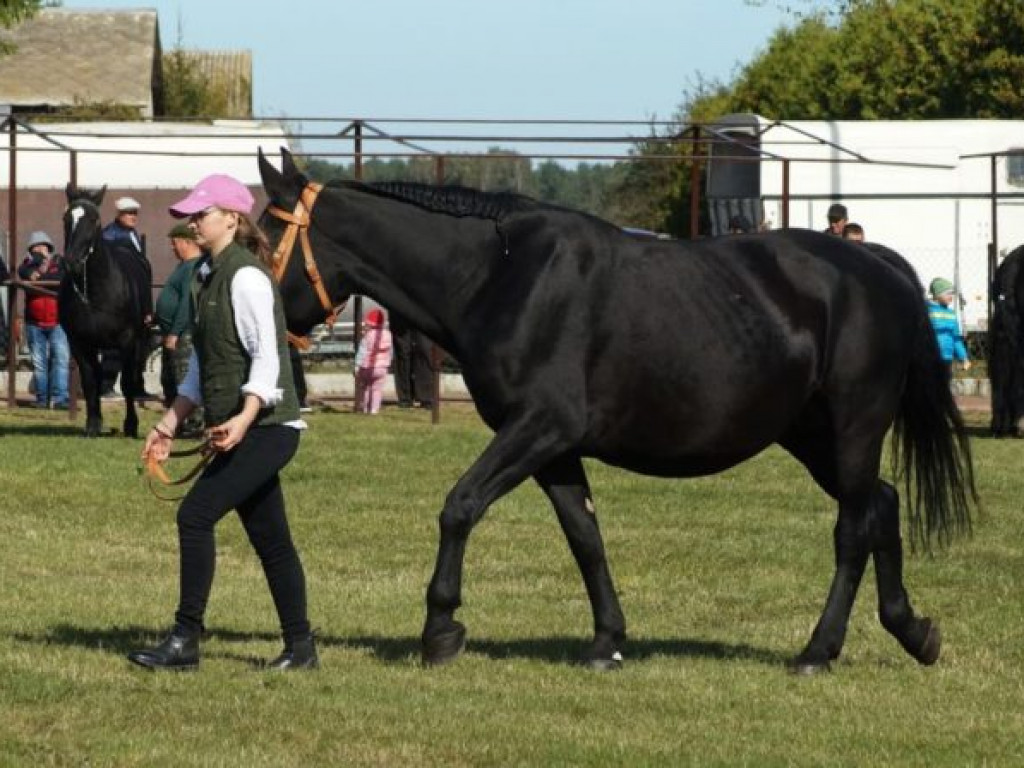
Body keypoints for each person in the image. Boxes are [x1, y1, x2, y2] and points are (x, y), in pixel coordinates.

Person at [129, 173, 317, 672]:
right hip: (241, 427)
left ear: (231, 219)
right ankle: (301, 650)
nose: (193, 221)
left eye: (201, 213)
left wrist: (244, 416)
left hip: (269, 429)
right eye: (192, 214)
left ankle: (185, 641)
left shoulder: (248, 276)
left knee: (194, 516)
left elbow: (267, 360)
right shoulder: (204, 276)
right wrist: (168, 423)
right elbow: (201, 366)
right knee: (272, 540)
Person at [101, 196, 154, 398]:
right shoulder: (110, 236)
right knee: (114, 347)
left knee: (139, 345)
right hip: (119, 301)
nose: (133, 217)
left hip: (136, 299)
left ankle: (136, 386)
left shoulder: (132, 235)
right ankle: (106, 385)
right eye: (129, 213)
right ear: (119, 214)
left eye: (135, 213)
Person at [154, 223, 204, 435]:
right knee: (170, 379)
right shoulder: (182, 266)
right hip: (170, 333)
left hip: (183, 335)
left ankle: (193, 425)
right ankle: (177, 423)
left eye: (175, 244)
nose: (173, 248)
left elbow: (187, 302)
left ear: (186, 242)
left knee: (184, 378)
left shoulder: (193, 267)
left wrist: (175, 332)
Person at [17, 231, 70, 409]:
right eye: (36, 247)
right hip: (34, 322)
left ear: (49, 248)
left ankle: (60, 398)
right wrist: (35, 266)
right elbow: (25, 275)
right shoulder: (26, 266)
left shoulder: (59, 263)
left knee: (61, 359)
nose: (40, 249)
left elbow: (61, 279)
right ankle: (42, 399)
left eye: (43, 246)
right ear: (30, 251)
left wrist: (41, 279)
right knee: (39, 362)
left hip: (58, 321)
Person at [927, 277, 971, 384]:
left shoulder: (951, 313)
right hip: (931, 357)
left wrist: (964, 357)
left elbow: (956, 339)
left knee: (945, 385)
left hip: (947, 358)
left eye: (952, 294)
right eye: (948, 293)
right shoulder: (926, 310)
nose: (951, 297)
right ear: (937, 295)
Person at [390, 310, 434, 408]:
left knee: (424, 350)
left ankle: (426, 397)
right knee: (402, 352)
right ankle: (405, 398)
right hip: (399, 310)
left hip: (422, 309)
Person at [354, 308, 393, 414]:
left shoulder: (367, 336)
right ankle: (374, 409)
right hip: (382, 367)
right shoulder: (388, 335)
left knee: (366, 388)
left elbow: (362, 352)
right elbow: (390, 352)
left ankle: (366, 407)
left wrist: (357, 366)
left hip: (367, 367)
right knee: (377, 389)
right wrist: (389, 363)